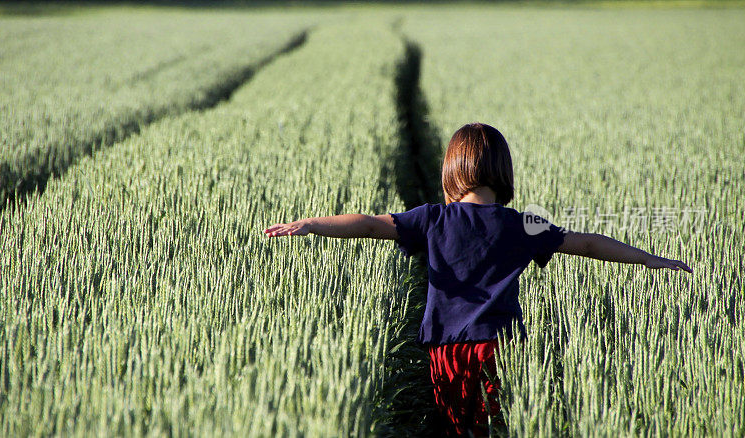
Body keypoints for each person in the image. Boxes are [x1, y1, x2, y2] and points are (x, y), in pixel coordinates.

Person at [263, 123, 692, 436]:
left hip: (446, 354)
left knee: (457, 430)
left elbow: (373, 225)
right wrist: (650, 259)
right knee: (495, 428)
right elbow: (588, 244)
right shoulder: (523, 224)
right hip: (499, 350)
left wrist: (314, 223)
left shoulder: (433, 219)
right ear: (503, 171)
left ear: (452, 171)